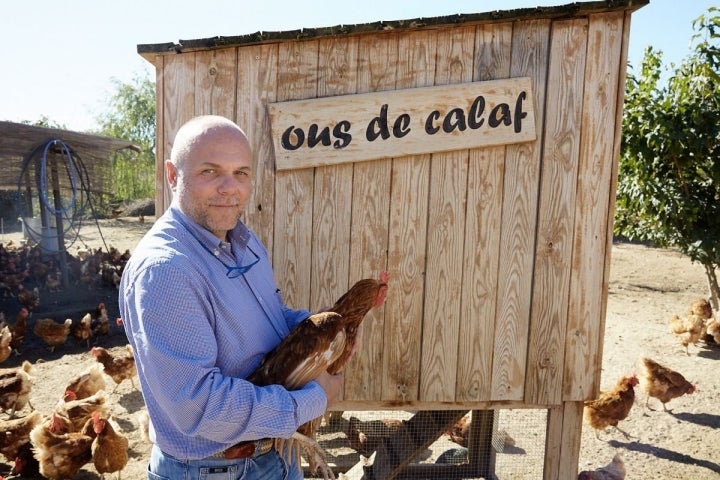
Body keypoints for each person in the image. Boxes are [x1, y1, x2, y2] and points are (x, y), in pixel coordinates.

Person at [119, 115, 344, 479]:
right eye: (210, 172)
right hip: (216, 469)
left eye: (241, 173)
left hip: (273, 455)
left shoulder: (242, 241)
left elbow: (266, 321)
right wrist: (313, 401)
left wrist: (325, 327)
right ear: (173, 175)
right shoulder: (166, 270)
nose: (230, 187)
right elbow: (200, 406)